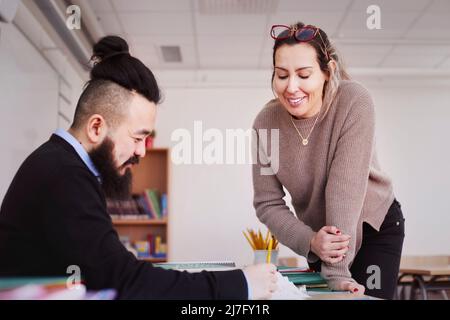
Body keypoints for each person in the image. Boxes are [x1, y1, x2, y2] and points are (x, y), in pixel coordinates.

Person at [0, 36, 277, 299]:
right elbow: (125, 283)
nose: (142, 151)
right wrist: (241, 284)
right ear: (96, 127)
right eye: (137, 138)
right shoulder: (65, 176)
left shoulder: (60, 164)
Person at [252, 22, 405, 299]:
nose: (291, 87)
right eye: (282, 75)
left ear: (328, 72)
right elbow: (267, 203)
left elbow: (344, 189)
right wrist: (311, 241)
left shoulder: (353, 100)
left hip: (373, 225)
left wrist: (335, 272)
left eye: (304, 74)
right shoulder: (265, 124)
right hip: (322, 237)